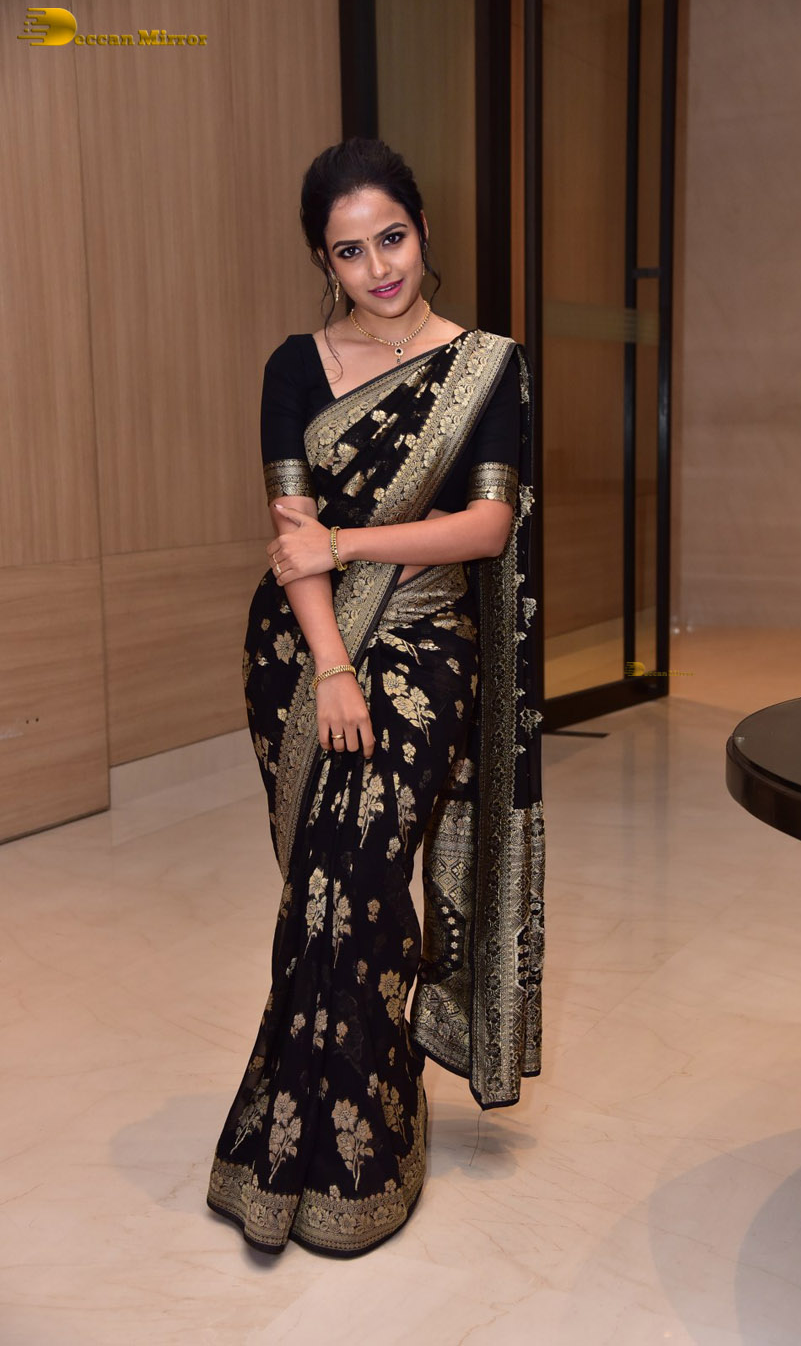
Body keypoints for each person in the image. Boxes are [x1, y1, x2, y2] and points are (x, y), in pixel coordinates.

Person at [206, 137, 545, 1258]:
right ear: (325, 260)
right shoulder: (294, 369)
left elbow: (485, 527)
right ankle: (288, 1135)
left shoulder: (484, 367)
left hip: (428, 644)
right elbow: (290, 541)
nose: (379, 268)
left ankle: (365, 1141)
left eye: (391, 238)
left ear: (423, 227)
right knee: (318, 893)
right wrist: (333, 669)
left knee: (358, 887)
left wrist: (349, 543)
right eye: (350, 252)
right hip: (304, 656)